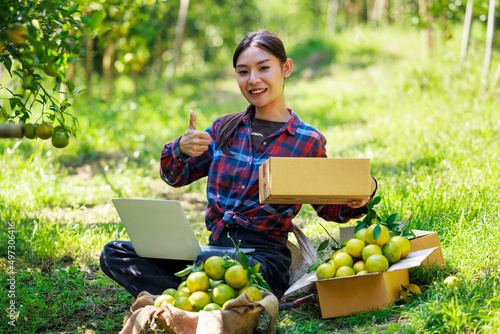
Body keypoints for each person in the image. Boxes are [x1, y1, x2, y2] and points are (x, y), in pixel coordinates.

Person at [100, 30, 376, 299]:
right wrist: (180, 150)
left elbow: (329, 208)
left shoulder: (306, 140)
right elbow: (175, 177)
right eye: (243, 71)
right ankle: (197, 299)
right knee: (115, 253)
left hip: (263, 260)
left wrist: (360, 194)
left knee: (214, 269)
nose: (253, 79)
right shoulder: (224, 129)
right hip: (213, 251)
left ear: (286, 68)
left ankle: (182, 296)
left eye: (263, 68)